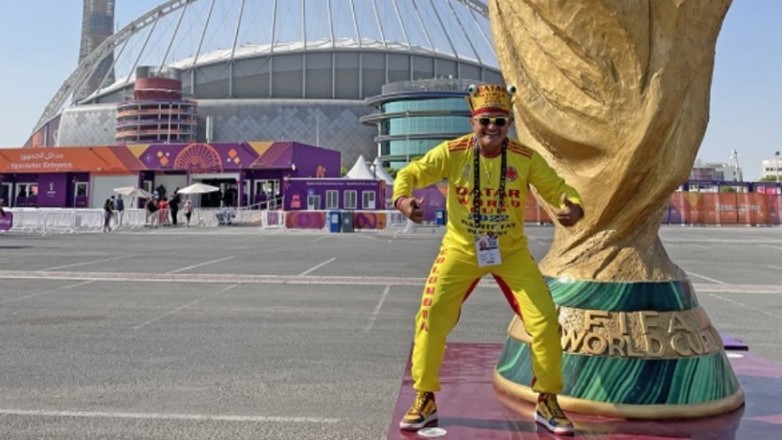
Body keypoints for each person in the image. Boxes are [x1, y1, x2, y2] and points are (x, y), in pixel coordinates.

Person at [393, 84, 584, 435]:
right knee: (431, 315)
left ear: (508, 122)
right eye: (485, 121)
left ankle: (547, 400)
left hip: (511, 253)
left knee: (544, 320)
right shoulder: (452, 153)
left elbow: (555, 185)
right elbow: (410, 173)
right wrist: (404, 201)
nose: (492, 127)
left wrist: (571, 203)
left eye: (500, 120)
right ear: (473, 121)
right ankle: (425, 396)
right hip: (461, 250)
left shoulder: (525, 158)